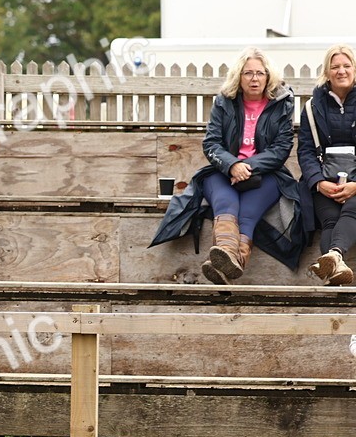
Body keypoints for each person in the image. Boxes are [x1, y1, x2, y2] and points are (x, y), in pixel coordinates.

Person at [150, 47, 303, 283]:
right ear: (239, 77)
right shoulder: (224, 102)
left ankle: (224, 262)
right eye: (248, 73)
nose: (254, 79)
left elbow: (282, 148)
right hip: (222, 171)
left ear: (268, 76)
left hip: (268, 174)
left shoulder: (282, 103)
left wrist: (247, 166)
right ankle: (232, 259)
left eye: (260, 73)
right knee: (226, 204)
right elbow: (211, 143)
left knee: (249, 212)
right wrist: (232, 165)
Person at [297, 44, 356, 285]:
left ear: (354, 69)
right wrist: (318, 182)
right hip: (324, 180)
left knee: (352, 209)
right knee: (329, 219)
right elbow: (306, 150)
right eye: (335, 67)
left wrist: (355, 185)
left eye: (346, 66)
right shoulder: (312, 107)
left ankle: (333, 258)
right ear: (327, 71)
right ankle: (335, 264)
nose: (341, 71)